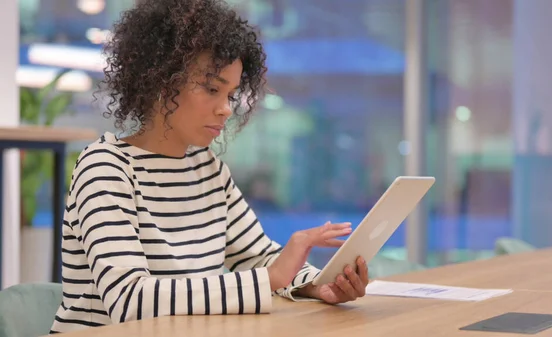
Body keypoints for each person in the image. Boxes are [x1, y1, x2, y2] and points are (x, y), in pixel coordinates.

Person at [50, 0, 369, 333]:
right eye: (212, 89)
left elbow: (258, 258)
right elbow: (130, 301)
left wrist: (317, 285)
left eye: (230, 94)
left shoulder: (209, 171)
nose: (226, 110)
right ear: (161, 82)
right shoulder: (105, 169)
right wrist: (270, 279)